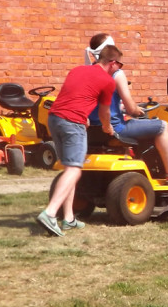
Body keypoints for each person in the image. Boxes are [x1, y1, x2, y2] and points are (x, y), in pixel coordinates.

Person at [36, 44, 122, 237]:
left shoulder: (77, 70)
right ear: (113, 63)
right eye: (119, 65)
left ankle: (69, 218)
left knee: (70, 168)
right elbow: (104, 112)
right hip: (72, 122)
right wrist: (108, 128)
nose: (119, 69)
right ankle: (50, 213)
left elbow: (74, 96)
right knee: (75, 169)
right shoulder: (108, 82)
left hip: (55, 118)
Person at [85, 33, 168, 185]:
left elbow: (100, 102)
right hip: (115, 128)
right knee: (161, 126)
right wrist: (136, 110)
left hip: (94, 130)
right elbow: (131, 108)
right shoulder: (116, 73)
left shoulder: (88, 71)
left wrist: (119, 107)